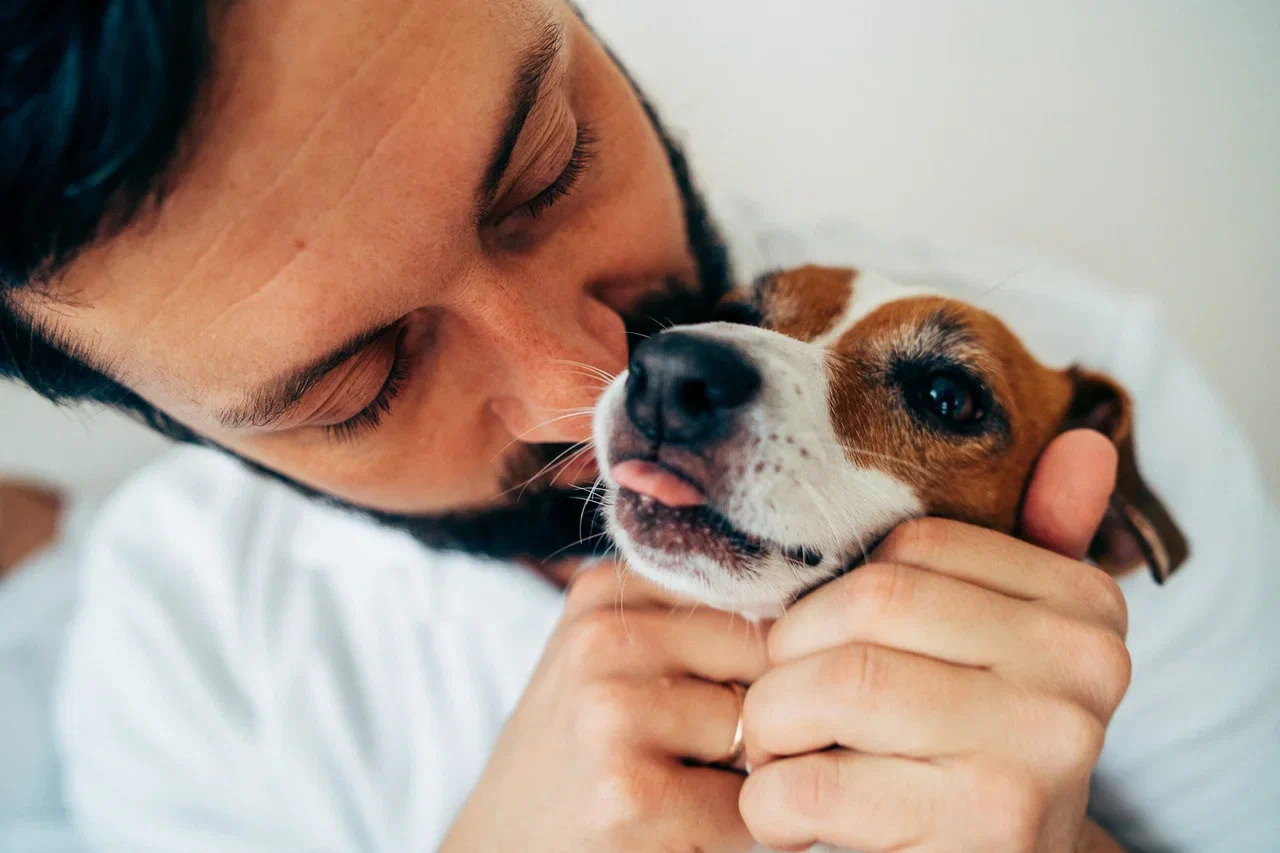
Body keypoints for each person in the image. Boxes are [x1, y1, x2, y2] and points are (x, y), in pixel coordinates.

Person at [2, 1, 1276, 850]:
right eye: (360, 383)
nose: (597, 373)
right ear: (199, 436)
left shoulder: (1106, 406)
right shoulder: (174, 653)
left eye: (545, 164)